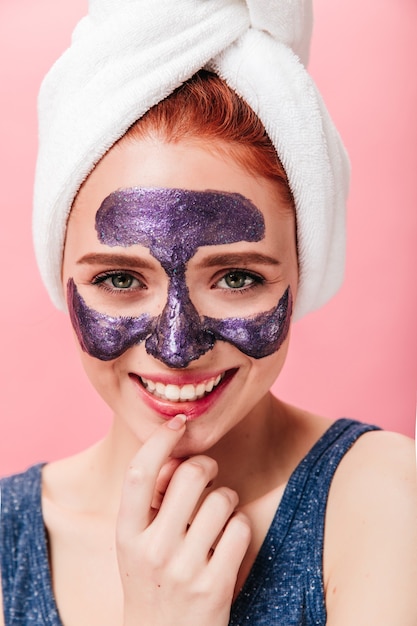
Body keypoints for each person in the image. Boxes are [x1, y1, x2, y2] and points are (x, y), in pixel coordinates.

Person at [1, 2, 416, 625]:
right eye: (118, 278)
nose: (175, 346)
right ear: (61, 276)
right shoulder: (11, 537)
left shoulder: (388, 499)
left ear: (302, 268)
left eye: (237, 277)